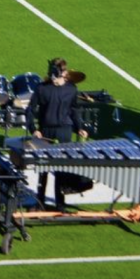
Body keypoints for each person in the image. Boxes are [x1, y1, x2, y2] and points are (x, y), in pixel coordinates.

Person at [28, 58, 86, 208]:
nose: (53, 77)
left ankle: (60, 203)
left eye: (56, 73)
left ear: (64, 73)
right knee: (44, 168)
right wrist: (34, 129)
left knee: (61, 168)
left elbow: (74, 110)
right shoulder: (42, 88)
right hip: (46, 130)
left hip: (64, 131)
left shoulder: (71, 89)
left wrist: (79, 127)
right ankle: (40, 201)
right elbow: (30, 110)